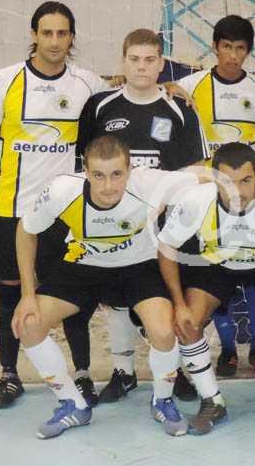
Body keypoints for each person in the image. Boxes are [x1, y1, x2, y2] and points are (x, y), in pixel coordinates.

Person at [12, 136, 198, 438]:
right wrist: (27, 294)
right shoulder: (61, 190)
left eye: (116, 174)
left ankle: (162, 400)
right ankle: (72, 405)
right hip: (83, 265)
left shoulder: (149, 183)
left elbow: (207, 176)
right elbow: (25, 231)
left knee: (164, 332)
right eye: (98, 175)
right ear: (85, 171)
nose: (107, 186)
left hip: (139, 266)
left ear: (130, 170)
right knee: (28, 325)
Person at [0, 1, 108, 409]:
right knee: (11, 292)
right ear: (34, 35)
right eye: (47, 32)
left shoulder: (87, 83)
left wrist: (172, 87)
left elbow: (127, 95)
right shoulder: (6, 79)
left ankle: (82, 374)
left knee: (71, 292)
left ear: (72, 37)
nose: (54, 41)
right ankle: (9, 375)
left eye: (62, 33)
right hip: (10, 209)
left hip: (64, 214)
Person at [77, 28, 209, 402]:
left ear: (161, 64)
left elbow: (198, 168)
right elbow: (81, 165)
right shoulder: (100, 106)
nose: (141, 67)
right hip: (112, 221)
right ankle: (124, 372)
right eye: (134, 59)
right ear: (123, 60)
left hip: (164, 225)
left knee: (165, 296)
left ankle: (174, 370)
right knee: (117, 297)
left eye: (150, 60)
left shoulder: (180, 108)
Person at [158, 142, 255, 435]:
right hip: (217, 262)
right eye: (227, 183)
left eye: (246, 181)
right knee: (188, 323)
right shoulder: (196, 200)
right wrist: (179, 304)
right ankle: (212, 402)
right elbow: (166, 247)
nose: (238, 192)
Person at [176, 15, 255, 378]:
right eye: (227, 47)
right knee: (217, 271)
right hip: (210, 197)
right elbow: (162, 92)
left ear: (248, 51)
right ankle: (228, 350)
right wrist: (165, 86)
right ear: (215, 47)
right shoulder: (192, 84)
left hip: (250, 197)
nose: (233, 55)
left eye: (240, 48)